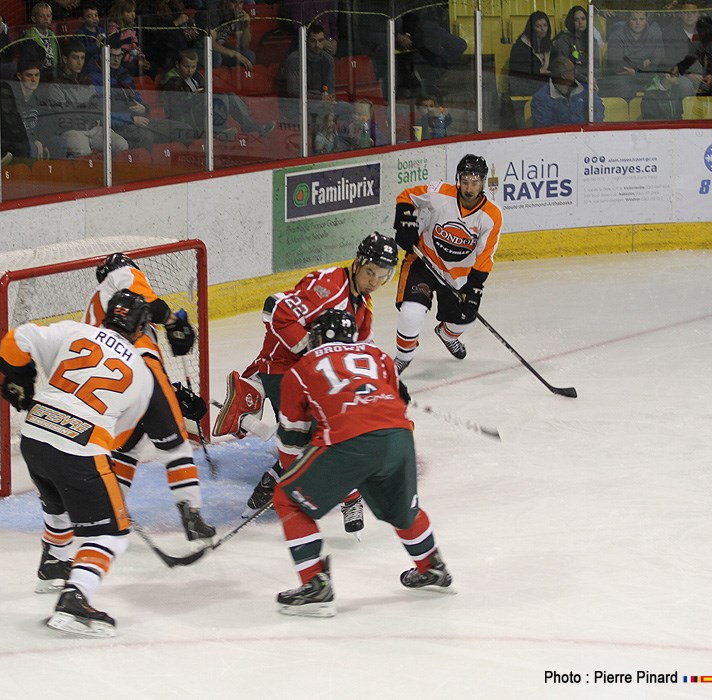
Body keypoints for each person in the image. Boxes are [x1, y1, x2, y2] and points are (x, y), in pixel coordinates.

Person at [271, 308, 453, 617]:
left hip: (349, 442)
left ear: (317, 337)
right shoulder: (379, 357)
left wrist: (293, 478)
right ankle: (431, 567)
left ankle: (315, 585)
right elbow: (395, 401)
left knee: (287, 499)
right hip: (398, 436)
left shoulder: (301, 369)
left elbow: (291, 439)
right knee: (402, 509)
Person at [211, 232, 400, 529]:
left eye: (383, 275)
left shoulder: (363, 304)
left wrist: (382, 382)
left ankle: (273, 480)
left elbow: (363, 347)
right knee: (325, 432)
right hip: (283, 369)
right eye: (370, 272)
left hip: (312, 373)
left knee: (317, 433)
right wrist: (314, 353)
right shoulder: (328, 286)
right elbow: (275, 311)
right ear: (358, 263)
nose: (374, 281)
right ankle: (348, 497)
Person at [0, 290, 151, 637]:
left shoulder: (74, 331)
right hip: (80, 446)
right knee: (111, 533)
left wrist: (16, 377)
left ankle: (54, 563)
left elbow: (14, 339)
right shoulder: (141, 373)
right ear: (140, 329)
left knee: (57, 500)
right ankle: (75, 599)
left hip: (34, 434)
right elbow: (121, 437)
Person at [81, 252, 215, 543]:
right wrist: (174, 322)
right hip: (142, 368)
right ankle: (191, 513)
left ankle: (110, 512)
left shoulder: (91, 311)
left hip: (107, 385)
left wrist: (173, 392)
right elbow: (150, 306)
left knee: (128, 447)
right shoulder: (122, 275)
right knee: (175, 444)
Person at [392, 154, 502, 371]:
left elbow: (485, 256)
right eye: (465, 181)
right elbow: (407, 196)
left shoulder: (492, 215)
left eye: (475, 182)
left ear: (483, 183)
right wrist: (404, 223)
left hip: (457, 276)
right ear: (458, 179)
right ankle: (403, 357)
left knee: (466, 317)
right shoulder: (440, 192)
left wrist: (475, 288)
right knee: (411, 312)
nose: (469, 188)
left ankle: (446, 334)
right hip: (424, 262)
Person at [158, 48, 274, 142]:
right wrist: (198, 96)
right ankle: (219, 131)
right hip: (183, 119)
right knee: (219, 97)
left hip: (197, 112)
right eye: (186, 66)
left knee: (229, 95)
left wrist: (201, 94)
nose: (190, 70)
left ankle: (251, 126)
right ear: (177, 65)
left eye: (193, 67)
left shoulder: (196, 76)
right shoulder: (171, 82)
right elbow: (179, 108)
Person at [48, 41, 130, 156]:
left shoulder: (86, 81)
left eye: (82, 58)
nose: (79, 62)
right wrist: (87, 111)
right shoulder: (56, 86)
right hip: (71, 131)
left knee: (121, 144)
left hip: (94, 128)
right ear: (65, 59)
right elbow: (64, 116)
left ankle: (104, 166)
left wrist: (80, 110)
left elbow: (98, 108)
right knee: (83, 151)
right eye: (75, 58)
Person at [603, 11, 665, 99]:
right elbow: (616, 64)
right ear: (628, 19)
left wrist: (634, 68)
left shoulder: (655, 35)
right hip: (624, 78)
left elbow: (658, 59)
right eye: (634, 19)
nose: (638, 23)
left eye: (641, 19)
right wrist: (643, 63)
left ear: (646, 19)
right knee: (623, 84)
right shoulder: (616, 36)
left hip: (648, 75)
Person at [531, 56, 604, 127]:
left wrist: (592, 126)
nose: (576, 72)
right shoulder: (541, 98)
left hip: (582, 133)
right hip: (559, 134)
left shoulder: (583, 89)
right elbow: (544, 126)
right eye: (572, 70)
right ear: (564, 75)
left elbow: (598, 106)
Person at [507, 10, 552, 98]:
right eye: (538, 26)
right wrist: (539, 71)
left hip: (539, 82)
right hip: (523, 85)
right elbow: (519, 70)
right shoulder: (520, 46)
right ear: (531, 28)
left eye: (545, 25)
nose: (543, 29)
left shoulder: (548, 44)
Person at [198, 0, 254, 70]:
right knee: (216, 59)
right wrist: (234, 54)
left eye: (240, 3)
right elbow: (210, 44)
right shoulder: (213, 12)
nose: (238, 6)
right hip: (200, 47)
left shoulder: (237, 14)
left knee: (250, 56)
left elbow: (244, 46)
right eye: (234, 2)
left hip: (219, 47)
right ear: (225, 1)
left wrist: (246, 26)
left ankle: (233, 75)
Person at [551, 5, 599, 83]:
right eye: (576, 19)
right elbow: (565, 68)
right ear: (571, 22)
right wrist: (585, 79)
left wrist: (592, 79)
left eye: (583, 19)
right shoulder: (563, 41)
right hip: (570, 81)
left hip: (590, 81)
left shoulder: (592, 41)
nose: (580, 22)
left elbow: (596, 67)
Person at [18, 1, 60, 81]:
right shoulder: (29, 38)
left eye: (48, 16)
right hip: (39, 75)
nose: (46, 18)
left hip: (54, 73)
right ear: (34, 19)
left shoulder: (52, 35)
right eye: (41, 16)